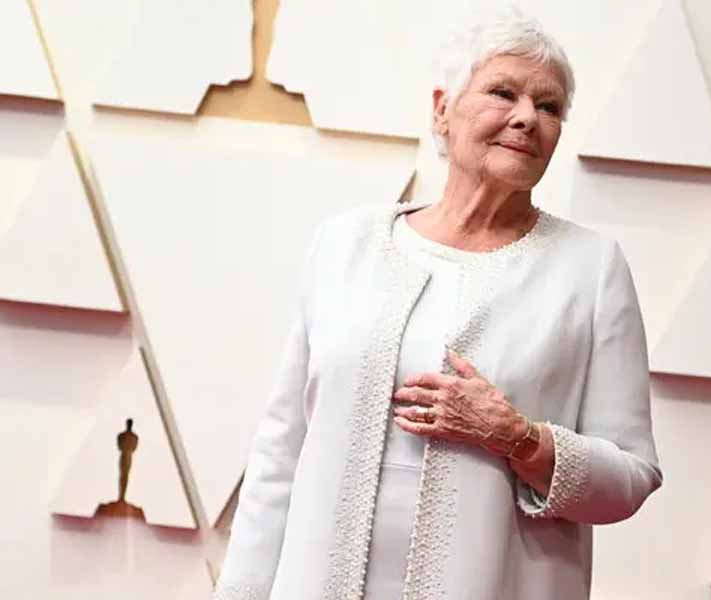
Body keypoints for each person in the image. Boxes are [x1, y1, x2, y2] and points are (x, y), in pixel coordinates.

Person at [213, 6, 663, 599]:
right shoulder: (345, 245)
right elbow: (280, 455)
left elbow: (631, 476)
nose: (527, 118)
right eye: (502, 92)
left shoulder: (591, 269)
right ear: (442, 109)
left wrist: (519, 437)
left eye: (549, 106)